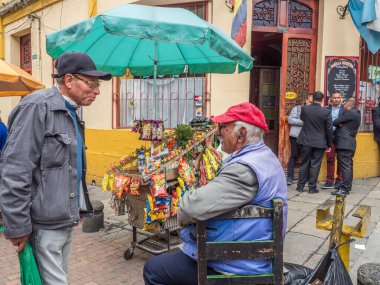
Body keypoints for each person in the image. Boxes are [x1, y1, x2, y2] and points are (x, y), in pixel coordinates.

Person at [143, 102, 288, 285]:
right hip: (248, 259)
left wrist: (189, 210)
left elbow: (190, 207)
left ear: (241, 134)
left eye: (223, 127)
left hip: (236, 267)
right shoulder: (265, 156)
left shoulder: (245, 170)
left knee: (153, 268)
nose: (218, 132)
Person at [0, 52, 111, 285]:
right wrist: (18, 225)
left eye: (97, 84)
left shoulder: (72, 112)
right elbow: (14, 169)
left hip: (64, 220)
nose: (97, 91)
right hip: (43, 224)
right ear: (69, 80)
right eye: (91, 83)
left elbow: (69, 168)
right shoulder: (36, 107)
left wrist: (78, 209)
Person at [297, 91, 333, 194]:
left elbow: (302, 119)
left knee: (304, 163)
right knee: (315, 164)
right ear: (322, 100)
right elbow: (329, 129)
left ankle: (300, 186)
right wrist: (329, 144)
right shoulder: (326, 112)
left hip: (305, 140)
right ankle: (312, 187)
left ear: (312, 98)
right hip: (319, 141)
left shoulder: (305, 109)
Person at [331, 97, 361, 195]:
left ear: (347, 104)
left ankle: (344, 189)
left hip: (345, 143)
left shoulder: (350, 112)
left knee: (345, 166)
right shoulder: (356, 113)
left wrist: (340, 123)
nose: (344, 105)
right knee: (348, 166)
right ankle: (347, 186)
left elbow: (335, 122)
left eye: (344, 103)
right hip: (348, 143)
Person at [286, 94, 313, 185]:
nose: (310, 104)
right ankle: (289, 177)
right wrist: (304, 122)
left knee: (306, 158)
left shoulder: (315, 111)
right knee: (294, 155)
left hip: (308, 137)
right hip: (295, 136)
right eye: (309, 101)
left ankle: (305, 178)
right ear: (306, 100)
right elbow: (290, 120)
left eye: (312, 102)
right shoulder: (297, 108)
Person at [321, 91, 344, 189]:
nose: (336, 99)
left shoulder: (345, 110)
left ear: (341, 99)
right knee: (330, 159)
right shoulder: (326, 109)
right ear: (331, 99)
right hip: (329, 138)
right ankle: (330, 180)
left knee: (341, 159)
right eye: (334, 98)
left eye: (338, 97)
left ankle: (339, 179)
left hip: (341, 137)